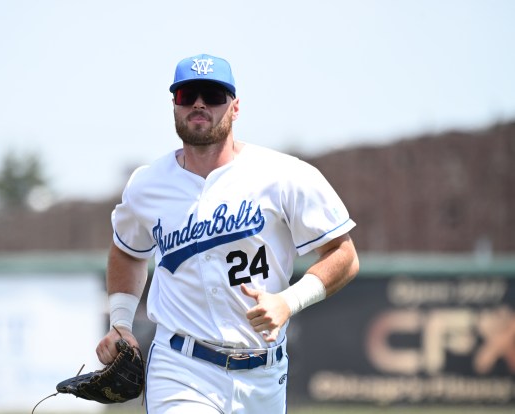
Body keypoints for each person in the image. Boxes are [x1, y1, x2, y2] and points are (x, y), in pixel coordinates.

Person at [95, 53, 360, 413]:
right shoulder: (147, 185)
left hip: (264, 375)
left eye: (214, 95)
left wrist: (289, 301)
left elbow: (344, 256)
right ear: (174, 105)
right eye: (188, 95)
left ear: (235, 108)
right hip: (181, 367)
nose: (200, 104)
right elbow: (126, 251)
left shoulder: (284, 176)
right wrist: (122, 322)